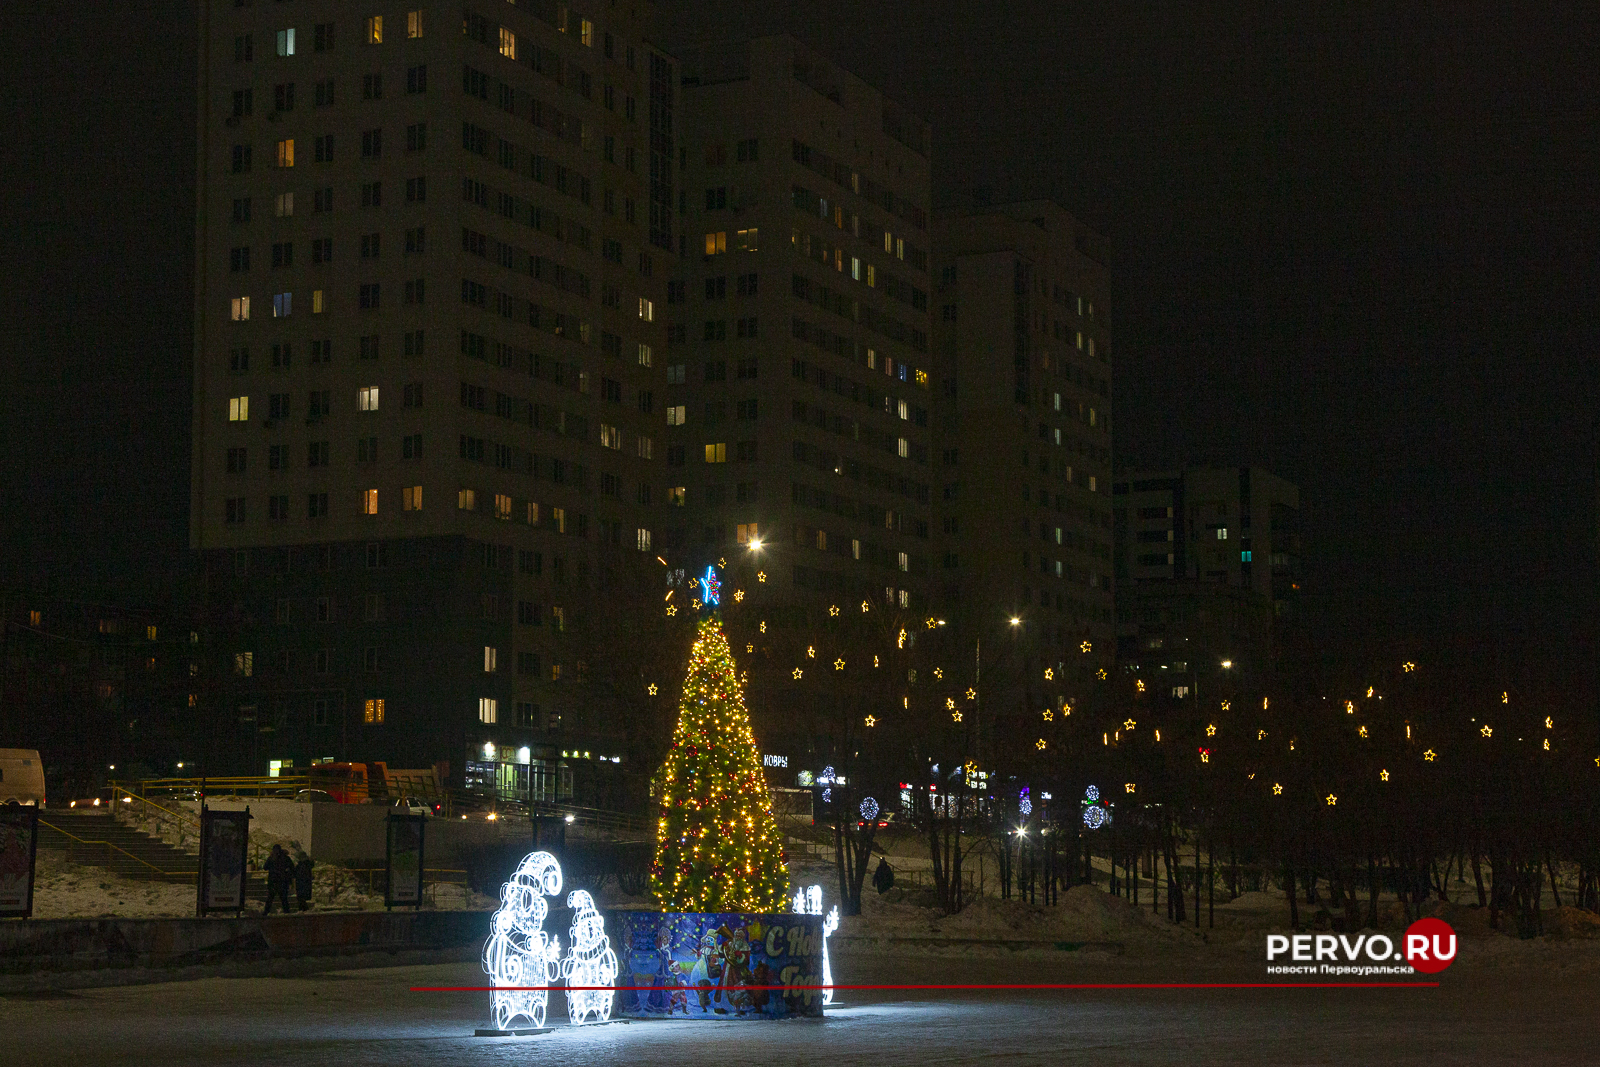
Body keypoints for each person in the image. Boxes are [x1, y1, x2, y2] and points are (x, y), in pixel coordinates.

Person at [264, 844, 293, 915]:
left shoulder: (272, 858)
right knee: (283, 899)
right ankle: (286, 912)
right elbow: (291, 868)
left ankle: (266, 912)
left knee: (270, 898)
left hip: (273, 881)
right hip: (282, 881)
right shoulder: (285, 858)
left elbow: (265, 867)